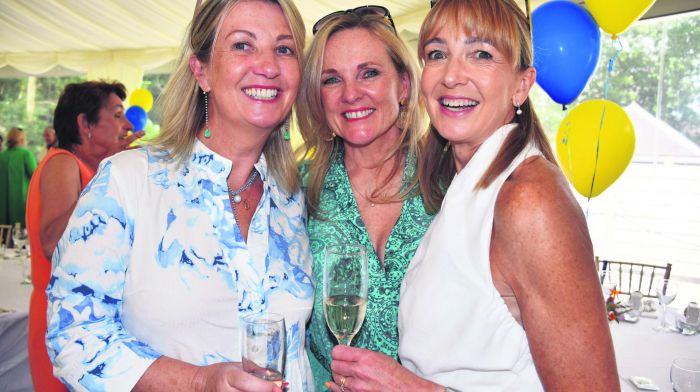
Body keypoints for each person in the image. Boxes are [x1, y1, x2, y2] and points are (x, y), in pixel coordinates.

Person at [324, 0, 620, 391]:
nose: (451, 76)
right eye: (437, 54)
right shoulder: (463, 184)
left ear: (521, 85)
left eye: (481, 54)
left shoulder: (528, 201)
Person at [45, 0, 314, 391]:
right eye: (242, 45)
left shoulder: (293, 197)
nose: (269, 66)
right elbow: (73, 338)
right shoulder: (129, 180)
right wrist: (197, 382)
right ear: (200, 70)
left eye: (284, 48)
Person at [296, 6, 432, 391]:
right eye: (331, 80)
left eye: (369, 73)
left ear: (403, 85)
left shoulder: (448, 181)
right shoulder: (296, 194)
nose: (351, 93)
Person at [25, 80, 142, 392]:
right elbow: (52, 242)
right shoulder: (63, 162)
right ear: (85, 124)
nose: (128, 124)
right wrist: (108, 174)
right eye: (117, 114)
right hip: (63, 319)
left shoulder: (87, 168)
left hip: (84, 317)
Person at [0, 127, 37, 227]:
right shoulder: (26, 154)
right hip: (21, 203)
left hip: (3, 205)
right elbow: (36, 177)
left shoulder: (1, 156)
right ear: (22, 140)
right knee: (19, 236)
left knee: (4, 237)